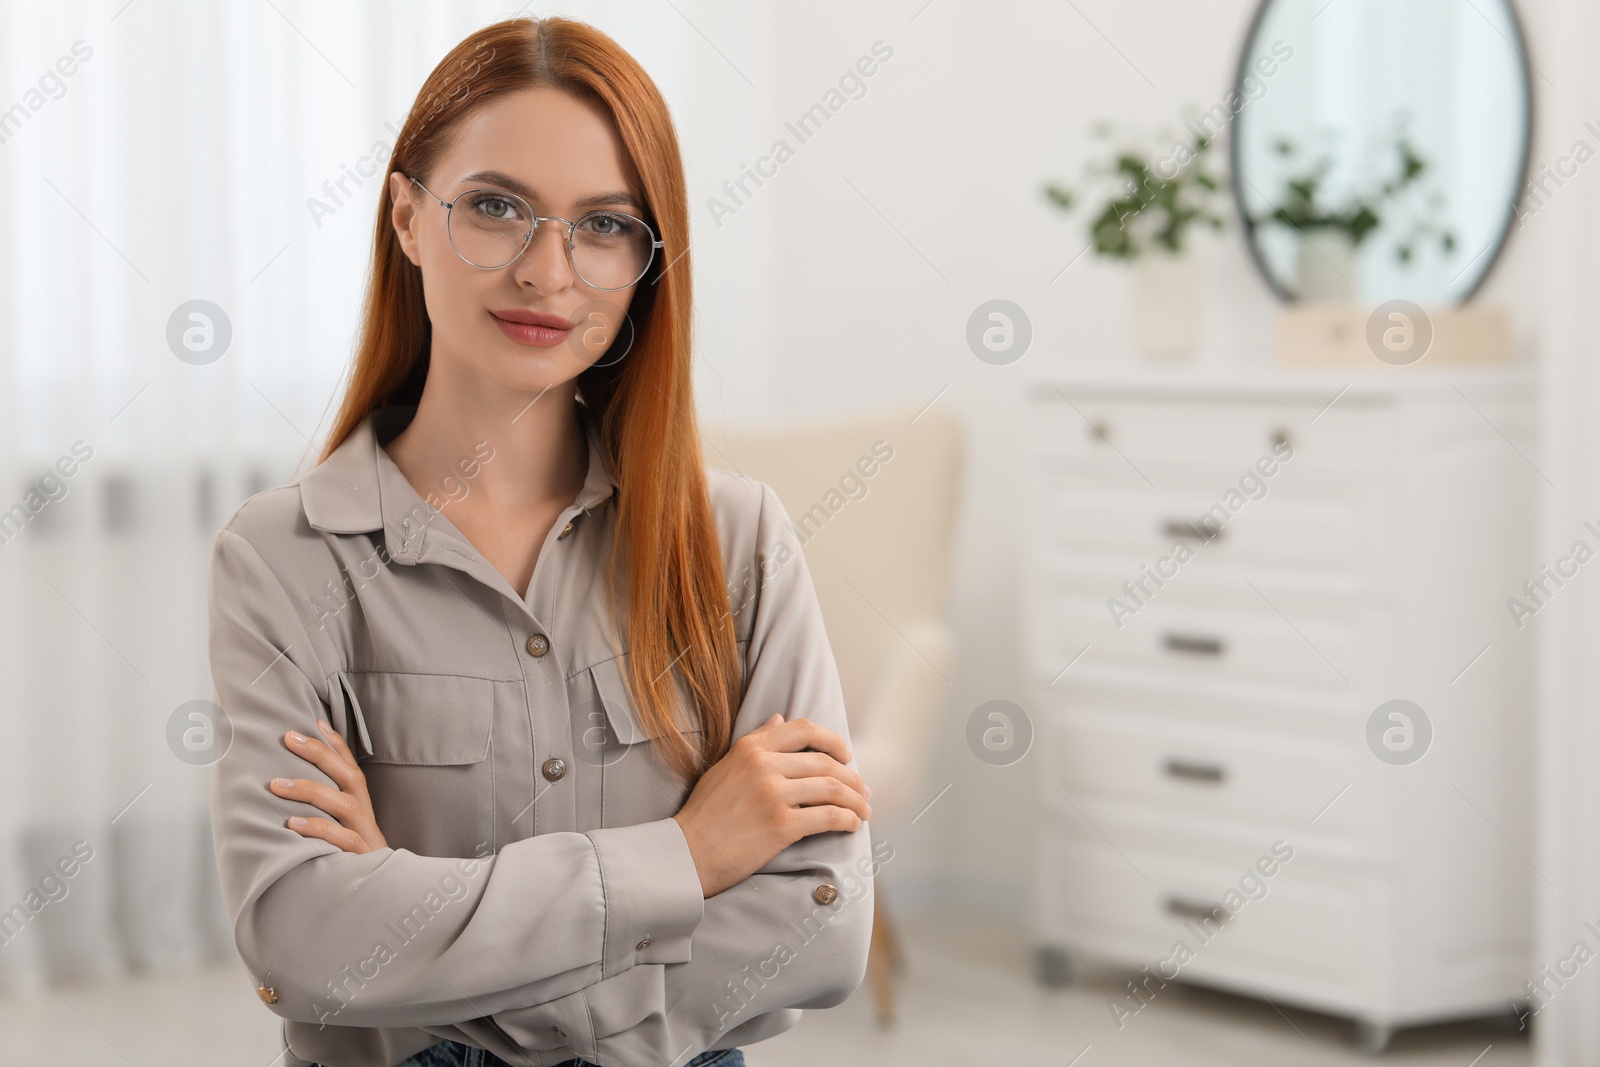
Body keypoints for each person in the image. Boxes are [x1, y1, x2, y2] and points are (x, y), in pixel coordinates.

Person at [205, 16, 877, 1067]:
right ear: (405, 218)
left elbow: (820, 923)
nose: (547, 270)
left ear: (649, 262)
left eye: (605, 225)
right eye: (495, 207)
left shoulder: (739, 539)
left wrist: (424, 958)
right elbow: (300, 937)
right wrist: (687, 854)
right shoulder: (282, 556)